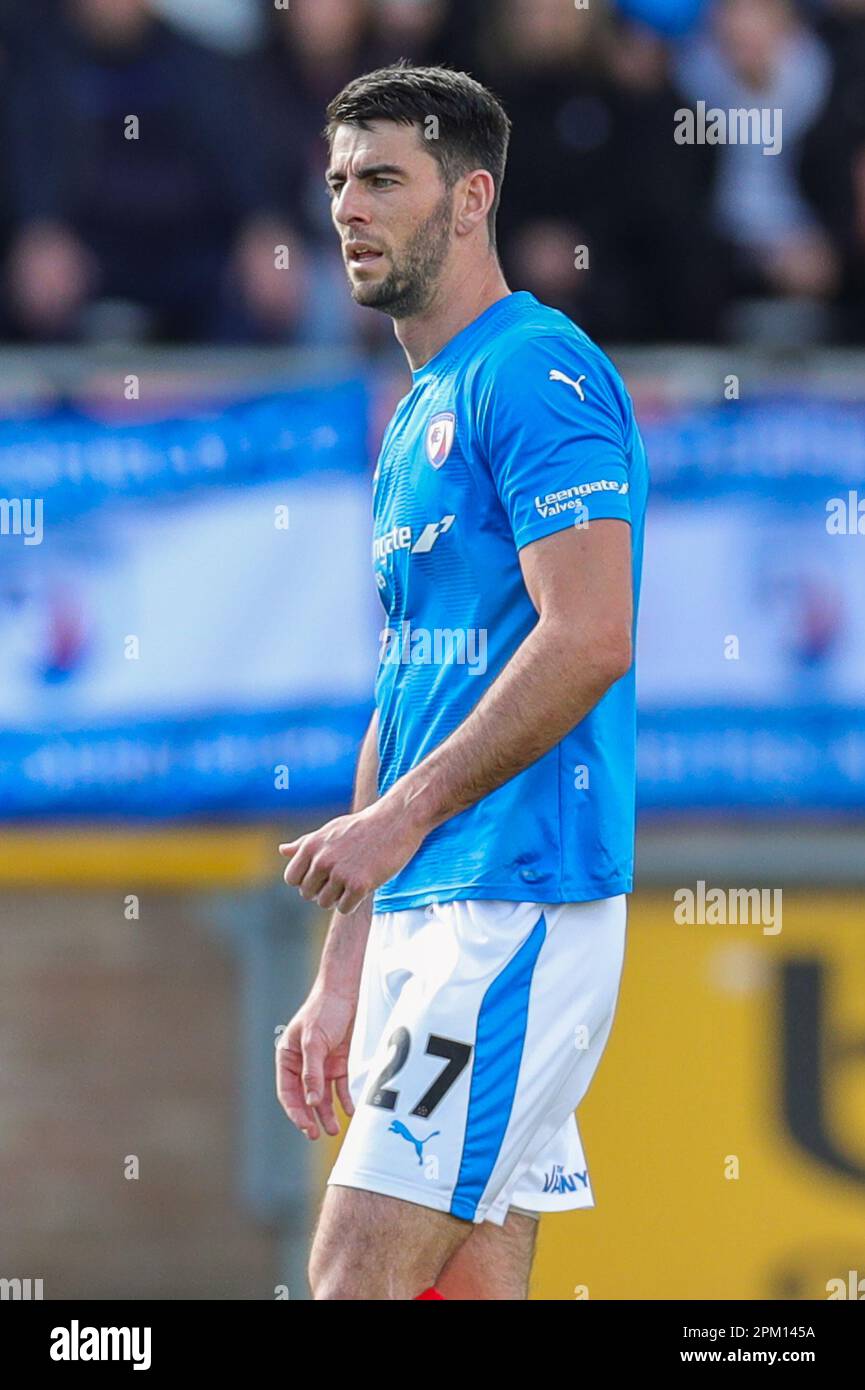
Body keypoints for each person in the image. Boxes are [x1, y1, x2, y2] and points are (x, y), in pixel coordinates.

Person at [275, 62, 649, 1301]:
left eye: (384, 178)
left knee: (349, 1281)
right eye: (338, 182)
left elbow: (590, 634)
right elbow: (405, 688)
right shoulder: (414, 410)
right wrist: (340, 974)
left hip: (513, 905)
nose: (349, 210)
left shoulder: (535, 372)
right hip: (431, 909)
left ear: (472, 197)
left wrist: (402, 818)